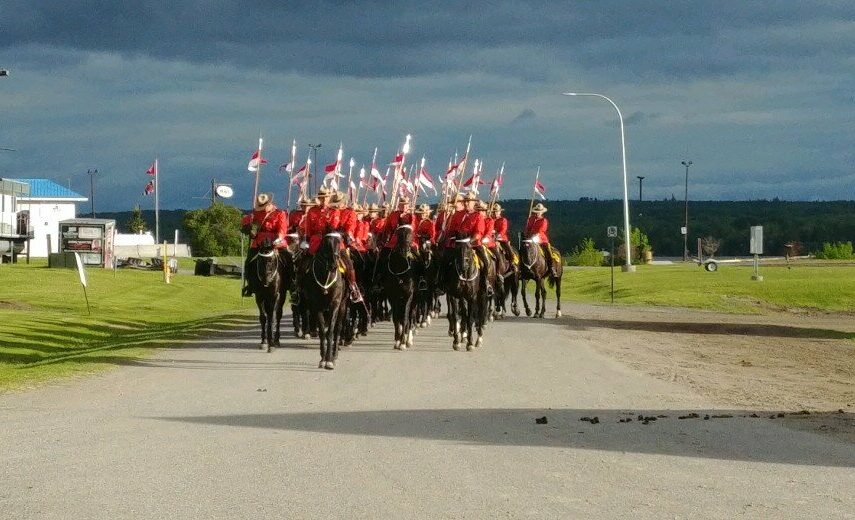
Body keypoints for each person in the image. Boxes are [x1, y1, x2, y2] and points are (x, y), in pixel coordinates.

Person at [240, 193, 288, 296]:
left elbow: (282, 229)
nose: (262, 208)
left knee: (288, 259)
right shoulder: (256, 213)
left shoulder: (280, 213)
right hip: (258, 243)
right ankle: (250, 285)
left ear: (269, 204)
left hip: (275, 242)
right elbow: (245, 220)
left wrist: (277, 239)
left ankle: (291, 284)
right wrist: (247, 227)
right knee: (249, 262)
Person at [524, 202, 557, 276]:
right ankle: (522, 266)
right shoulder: (531, 219)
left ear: (542, 212)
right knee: (523, 248)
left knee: (548, 251)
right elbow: (527, 228)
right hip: (530, 239)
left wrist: (536, 235)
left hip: (541, 239)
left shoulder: (544, 220)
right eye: (537, 212)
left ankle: (551, 267)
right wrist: (526, 233)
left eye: (539, 212)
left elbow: (542, 230)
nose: (538, 213)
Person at [491, 203, 517, 268]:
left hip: (501, 238)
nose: (495, 213)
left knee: (508, 249)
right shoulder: (490, 219)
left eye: (497, 211)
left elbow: (503, 230)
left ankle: (512, 262)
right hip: (491, 238)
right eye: (494, 212)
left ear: (500, 212)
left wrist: (497, 235)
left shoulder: (503, 220)